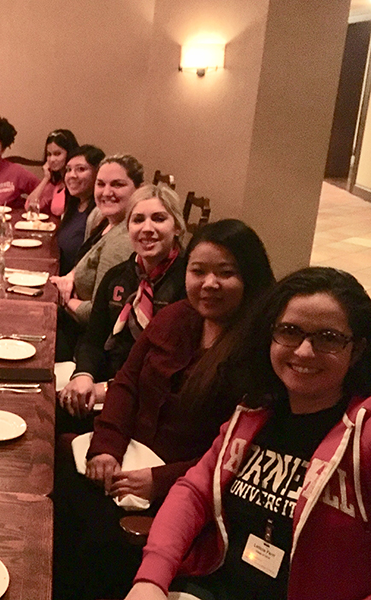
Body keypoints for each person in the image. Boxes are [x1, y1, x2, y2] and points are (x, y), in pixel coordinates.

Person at [53, 219, 275, 600]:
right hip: (126, 459)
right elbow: (125, 384)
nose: (209, 284)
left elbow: (240, 455)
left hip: (180, 490)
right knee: (52, 485)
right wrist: (107, 447)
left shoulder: (258, 353)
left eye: (226, 273)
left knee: (87, 533)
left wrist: (159, 479)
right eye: (198, 270)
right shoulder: (175, 317)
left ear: (250, 279)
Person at [125, 267, 371, 600]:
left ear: (356, 350)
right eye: (290, 331)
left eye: (328, 338)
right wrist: (150, 580)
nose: (303, 351)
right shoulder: (254, 414)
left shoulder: (363, 437)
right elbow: (193, 491)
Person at [57, 182, 188, 423]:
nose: (147, 229)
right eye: (138, 220)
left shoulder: (188, 283)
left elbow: (170, 368)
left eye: (158, 219)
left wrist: (108, 390)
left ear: (178, 227)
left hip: (152, 400)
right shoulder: (118, 276)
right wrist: (83, 375)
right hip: (104, 380)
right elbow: (93, 339)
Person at [53, 155, 146, 343]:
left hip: (81, 339)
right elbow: (86, 257)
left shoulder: (123, 240)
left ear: (139, 189)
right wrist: (71, 276)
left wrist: (64, 298)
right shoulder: (103, 218)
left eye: (117, 185)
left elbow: (97, 315)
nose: (106, 192)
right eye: (101, 184)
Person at [55, 145, 106, 276]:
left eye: (81, 169)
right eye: (68, 169)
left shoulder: (99, 214)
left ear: (98, 173)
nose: (72, 175)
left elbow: (91, 263)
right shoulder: (74, 205)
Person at [24, 129, 79, 216]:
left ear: (69, 154)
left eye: (57, 154)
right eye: (49, 154)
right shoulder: (56, 183)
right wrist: (46, 178)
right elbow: (29, 206)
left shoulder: (75, 183)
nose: (52, 159)